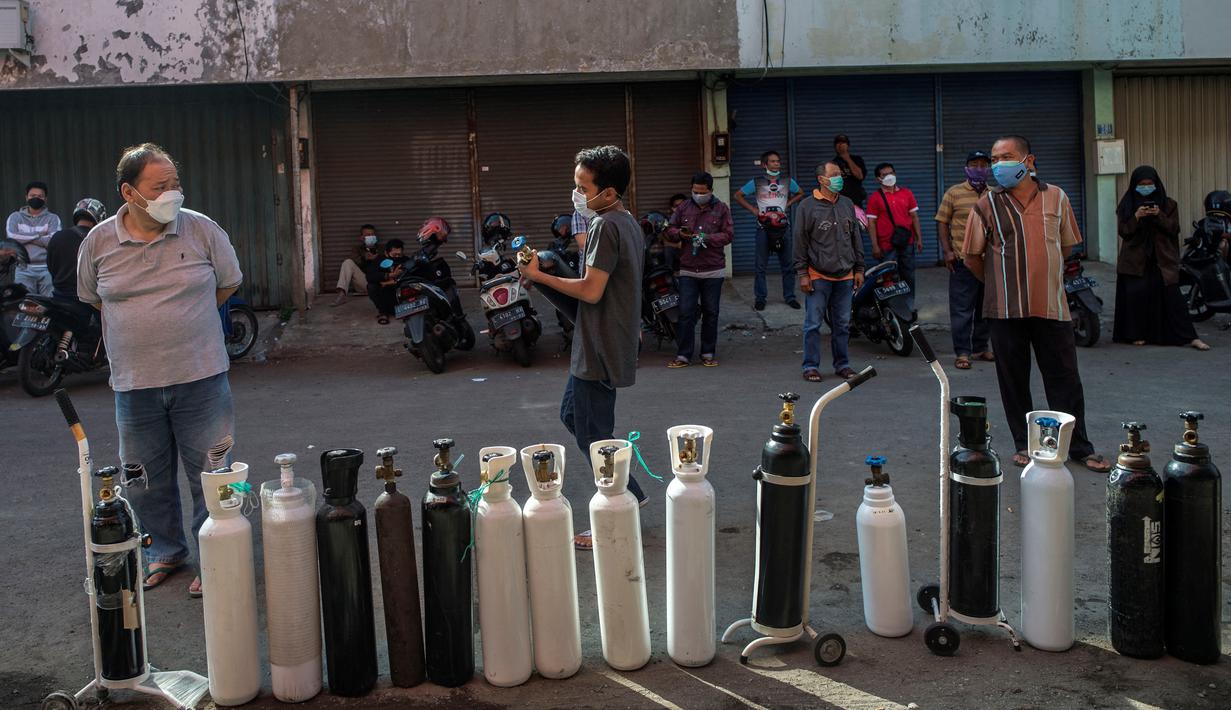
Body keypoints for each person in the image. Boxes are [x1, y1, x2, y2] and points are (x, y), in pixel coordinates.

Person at [77, 143, 243, 598]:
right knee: (144, 481)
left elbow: (229, 282)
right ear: (130, 192)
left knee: (212, 474)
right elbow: (92, 296)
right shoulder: (98, 243)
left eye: (176, 183)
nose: (174, 192)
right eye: (160, 186)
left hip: (202, 379)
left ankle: (215, 555)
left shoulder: (202, 230)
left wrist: (188, 322)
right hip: (134, 386)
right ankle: (165, 551)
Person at [517, 145, 647, 549]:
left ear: (607, 193)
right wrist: (546, 274)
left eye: (582, 187)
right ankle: (633, 495)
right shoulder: (623, 222)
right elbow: (592, 299)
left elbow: (590, 291)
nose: (576, 193)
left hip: (601, 349)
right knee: (574, 416)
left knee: (596, 436)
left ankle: (618, 513)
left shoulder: (606, 226)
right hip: (597, 341)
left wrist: (541, 274)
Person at [963, 135, 1111, 473]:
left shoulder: (1056, 197)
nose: (999, 164)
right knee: (1013, 380)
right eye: (994, 158)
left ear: (1029, 161)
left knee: (1065, 378)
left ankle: (1078, 446)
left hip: (1052, 306)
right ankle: (1024, 444)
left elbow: (1068, 245)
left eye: (1007, 157)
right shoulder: (986, 204)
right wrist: (1001, 282)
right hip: (1004, 309)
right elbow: (972, 256)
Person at [1113, 166, 1210, 350]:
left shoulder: (1169, 205)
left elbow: (1174, 228)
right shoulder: (1126, 205)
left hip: (1163, 259)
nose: (1146, 188)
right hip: (1135, 260)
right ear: (1134, 185)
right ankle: (1136, 335)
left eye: (1150, 184)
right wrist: (1136, 217)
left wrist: (1159, 215)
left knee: (1173, 299)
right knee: (1136, 298)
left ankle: (1191, 338)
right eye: (1142, 185)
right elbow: (1124, 232)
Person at [794, 162, 865, 382]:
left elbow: (855, 238)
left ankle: (842, 365)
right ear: (821, 180)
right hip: (818, 275)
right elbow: (799, 241)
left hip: (845, 275)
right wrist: (802, 273)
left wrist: (859, 268)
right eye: (834, 175)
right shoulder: (806, 206)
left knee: (842, 324)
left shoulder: (846, 203)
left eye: (840, 175)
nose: (839, 178)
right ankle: (810, 366)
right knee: (813, 324)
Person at [664, 172, 734, 368]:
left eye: (702, 192)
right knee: (686, 312)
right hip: (688, 270)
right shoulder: (683, 208)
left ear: (711, 190)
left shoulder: (721, 209)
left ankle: (708, 352)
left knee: (711, 312)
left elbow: (729, 235)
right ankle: (684, 355)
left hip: (713, 270)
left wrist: (707, 238)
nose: (698, 195)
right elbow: (669, 230)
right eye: (695, 191)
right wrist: (680, 233)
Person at [936, 151, 996, 369]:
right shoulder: (954, 193)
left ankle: (981, 347)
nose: (979, 168)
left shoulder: (994, 195)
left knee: (985, 307)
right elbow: (942, 221)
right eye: (974, 164)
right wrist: (947, 251)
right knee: (962, 309)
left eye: (983, 164)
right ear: (966, 167)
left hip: (989, 261)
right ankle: (962, 352)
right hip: (962, 260)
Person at [733, 150, 804, 311]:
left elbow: (800, 193)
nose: (777, 163)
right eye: (772, 161)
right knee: (760, 266)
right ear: (765, 165)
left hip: (783, 228)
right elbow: (738, 195)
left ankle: (790, 297)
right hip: (763, 228)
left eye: (778, 161)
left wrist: (788, 204)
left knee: (787, 265)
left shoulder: (787, 181)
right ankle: (760, 298)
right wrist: (753, 210)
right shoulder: (756, 182)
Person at [865, 162, 923, 317]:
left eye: (891, 173)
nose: (889, 176)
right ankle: (891, 308)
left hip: (907, 242)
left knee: (908, 274)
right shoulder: (875, 198)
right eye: (884, 174)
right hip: (886, 244)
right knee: (887, 277)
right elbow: (871, 223)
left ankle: (908, 307)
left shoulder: (907, 193)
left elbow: (914, 217)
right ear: (878, 178)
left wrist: (919, 238)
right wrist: (875, 246)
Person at [6, 181, 62, 295]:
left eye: (40, 196)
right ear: (26, 197)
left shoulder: (53, 219)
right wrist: (39, 235)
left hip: (47, 270)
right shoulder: (15, 217)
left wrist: (24, 238)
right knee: (24, 306)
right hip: (23, 270)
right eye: (32, 195)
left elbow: (53, 240)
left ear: (45, 199)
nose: (36, 198)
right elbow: (12, 237)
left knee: (48, 307)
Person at [46, 198, 106, 302]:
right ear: (99, 218)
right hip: (89, 301)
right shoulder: (100, 240)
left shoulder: (57, 237)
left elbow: (51, 266)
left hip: (60, 297)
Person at [331, 224, 381, 306]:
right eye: (368, 235)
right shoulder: (357, 250)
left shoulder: (382, 249)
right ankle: (342, 294)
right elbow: (356, 262)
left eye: (372, 235)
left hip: (378, 285)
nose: (371, 237)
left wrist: (377, 258)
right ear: (361, 238)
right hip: (364, 283)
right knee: (347, 262)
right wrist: (365, 258)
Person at [367, 238, 407, 324]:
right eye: (394, 254)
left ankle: (405, 311)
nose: (397, 257)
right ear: (387, 252)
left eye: (399, 255)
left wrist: (391, 282)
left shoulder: (405, 260)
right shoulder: (379, 260)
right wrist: (389, 275)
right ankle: (383, 312)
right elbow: (370, 276)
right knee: (371, 286)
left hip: (399, 295)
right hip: (383, 295)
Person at [831, 134, 867, 207]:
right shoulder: (832, 163)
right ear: (835, 146)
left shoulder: (857, 160)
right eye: (838, 143)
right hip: (839, 202)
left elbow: (860, 176)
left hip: (855, 201)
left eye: (843, 142)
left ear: (848, 145)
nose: (840, 145)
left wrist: (847, 158)